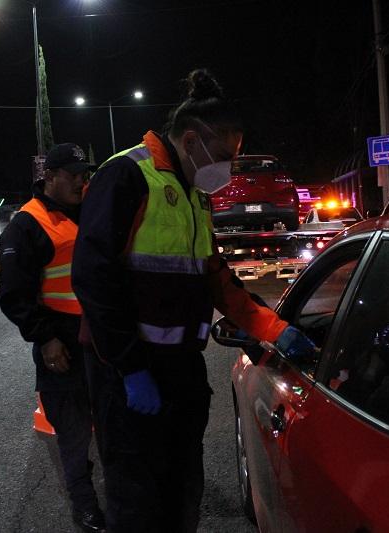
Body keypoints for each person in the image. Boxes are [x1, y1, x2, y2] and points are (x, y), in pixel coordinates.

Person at [71, 69, 316, 533]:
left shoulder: (195, 198)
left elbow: (218, 280)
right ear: (190, 140)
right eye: (224, 156)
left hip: (179, 371)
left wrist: (275, 331)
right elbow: (93, 277)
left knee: (182, 496)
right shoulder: (127, 176)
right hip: (126, 375)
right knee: (137, 505)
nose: (227, 169)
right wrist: (130, 368)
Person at [0, 143, 105, 532]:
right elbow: (13, 294)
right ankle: (85, 505)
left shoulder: (89, 211)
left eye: (84, 174)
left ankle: (120, 494)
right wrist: (45, 339)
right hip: (62, 342)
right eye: (74, 174)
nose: (81, 180)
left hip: (101, 339)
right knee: (74, 435)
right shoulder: (27, 224)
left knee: (110, 422)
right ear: (50, 177)